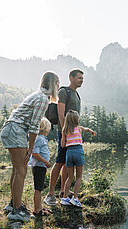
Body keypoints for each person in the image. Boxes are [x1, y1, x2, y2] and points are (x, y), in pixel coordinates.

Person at [1, 71, 60, 222]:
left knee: (17, 169)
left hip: (11, 128)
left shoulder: (37, 95)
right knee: (21, 170)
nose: (59, 87)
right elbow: (34, 126)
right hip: (16, 130)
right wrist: (31, 147)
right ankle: (17, 210)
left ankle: (13, 204)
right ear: (53, 84)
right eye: (58, 84)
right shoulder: (42, 99)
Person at [44, 68, 84, 205]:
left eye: (82, 78)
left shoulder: (76, 94)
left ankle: (63, 192)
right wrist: (63, 133)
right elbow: (61, 114)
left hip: (72, 134)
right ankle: (50, 194)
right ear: (71, 78)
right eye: (79, 78)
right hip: (64, 132)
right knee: (60, 161)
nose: (81, 80)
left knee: (68, 162)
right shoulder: (64, 91)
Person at [60, 110, 96, 207]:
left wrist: (65, 138)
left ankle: (64, 198)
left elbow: (62, 145)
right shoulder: (79, 128)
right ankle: (75, 199)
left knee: (70, 177)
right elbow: (86, 129)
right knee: (79, 177)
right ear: (76, 120)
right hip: (78, 152)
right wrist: (92, 131)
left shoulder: (64, 130)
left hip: (69, 153)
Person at [27, 118, 53, 216]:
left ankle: (40, 207)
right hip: (39, 166)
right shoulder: (39, 139)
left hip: (41, 166)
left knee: (40, 188)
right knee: (38, 189)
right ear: (46, 128)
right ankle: (37, 210)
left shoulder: (42, 139)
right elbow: (35, 153)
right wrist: (45, 162)